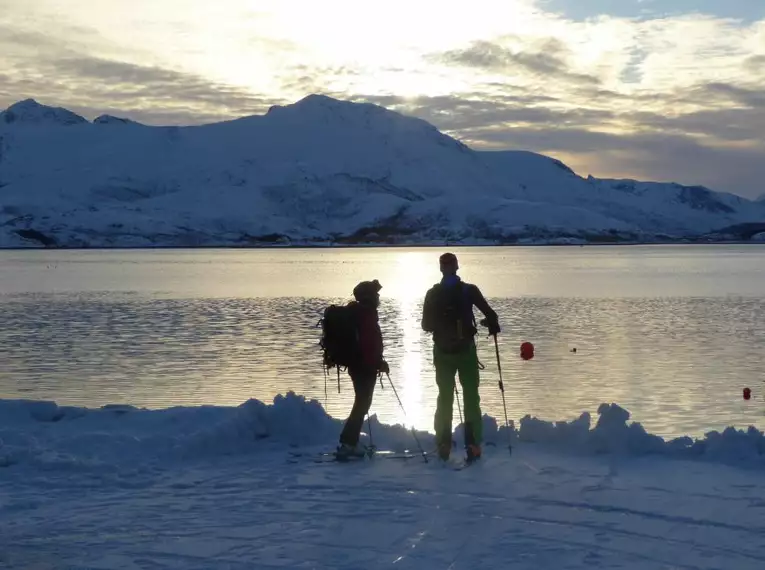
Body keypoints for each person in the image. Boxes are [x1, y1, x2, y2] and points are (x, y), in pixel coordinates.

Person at [421, 253, 500, 462]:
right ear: (456, 267)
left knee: (444, 398)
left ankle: (443, 444)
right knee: (471, 398)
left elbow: (425, 326)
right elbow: (491, 315)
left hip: (442, 352)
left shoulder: (432, 293)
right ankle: (473, 445)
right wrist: (488, 324)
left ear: (441, 269)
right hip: (465, 351)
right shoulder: (469, 290)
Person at [337, 279, 389, 458]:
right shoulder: (366, 315)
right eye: (376, 295)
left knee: (362, 403)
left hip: (358, 364)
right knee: (362, 403)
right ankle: (348, 443)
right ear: (369, 297)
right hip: (364, 366)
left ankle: (350, 441)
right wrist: (377, 363)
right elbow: (368, 345)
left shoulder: (360, 313)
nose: (378, 297)